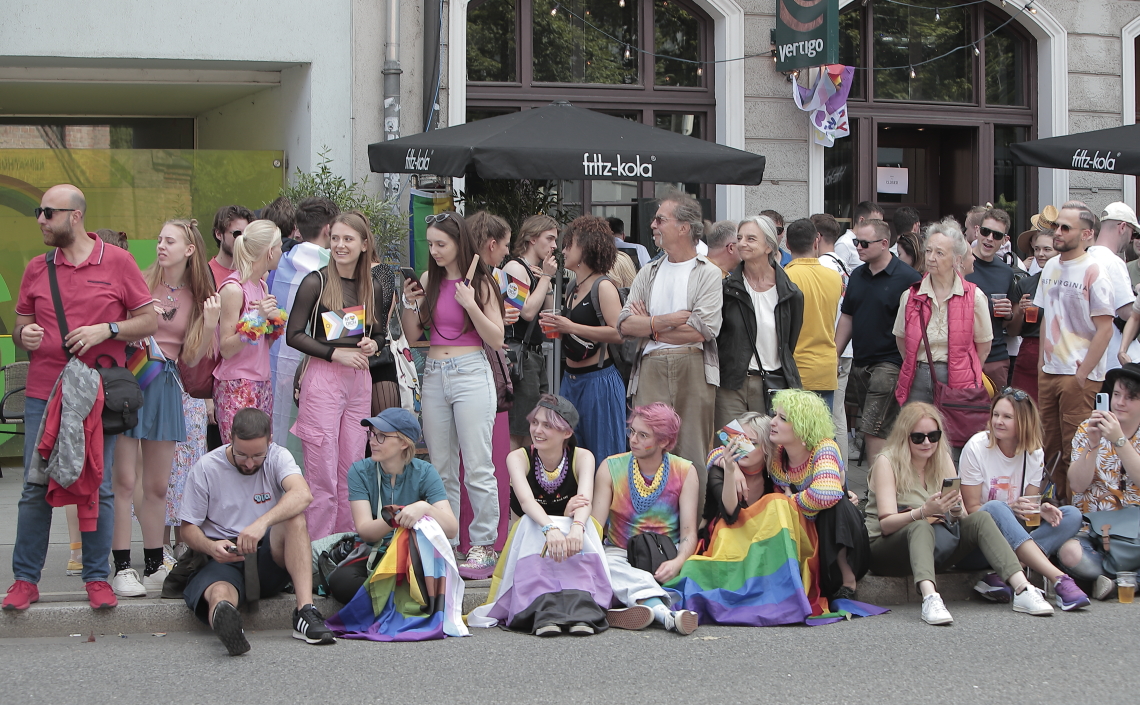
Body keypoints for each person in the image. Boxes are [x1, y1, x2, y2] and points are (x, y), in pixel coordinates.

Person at [3, 186, 156, 617]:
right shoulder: (37, 268)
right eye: (39, 212)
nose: (40, 220)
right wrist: (23, 334)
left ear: (75, 216)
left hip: (97, 394)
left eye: (48, 213)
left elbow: (146, 319)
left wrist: (107, 329)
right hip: (43, 393)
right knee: (35, 487)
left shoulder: (118, 261)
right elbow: (21, 323)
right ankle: (24, 581)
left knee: (100, 487)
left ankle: (96, 578)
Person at [864, 403, 1055, 625]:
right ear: (904, 436)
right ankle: (930, 597)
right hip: (887, 550)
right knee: (920, 525)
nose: (927, 443)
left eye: (933, 436)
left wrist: (954, 509)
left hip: (936, 545)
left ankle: (1022, 588)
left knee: (981, 517)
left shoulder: (942, 457)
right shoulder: (887, 461)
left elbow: (962, 516)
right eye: (918, 437)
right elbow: (886, 524)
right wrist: (923, 512)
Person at [110, 219, 221, 597]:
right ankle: (122, 567)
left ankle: (156, 563)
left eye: (169, 240)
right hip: (131, 382)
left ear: (189, 250)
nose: (160, 245)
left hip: (167, 386)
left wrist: (209, 325)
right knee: (125, 481)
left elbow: (190, 355)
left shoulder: (197, 294)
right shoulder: (139, 280)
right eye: (158, 239)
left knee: (158, 484)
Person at [177, 408, 334, 654]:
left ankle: (305, 612)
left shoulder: (278, 457)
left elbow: (303, 494)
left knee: (295, 519)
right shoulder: (207, 467)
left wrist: (261, 524)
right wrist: (210, 547)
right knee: (219, 593)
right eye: (241, 454)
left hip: (266, 556)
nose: (249, 463)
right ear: (230, 438)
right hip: (224, 556)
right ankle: (228, 624)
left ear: (270, 442)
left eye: (257, 455)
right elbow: (187, 529)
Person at [401, 211, 504, 579]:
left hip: (471, 372)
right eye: (430, 244)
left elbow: (497, 338)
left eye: (441, 244)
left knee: (477, 466)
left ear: (460, 242)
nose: (435, 250)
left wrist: (471, 303)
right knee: (440, 467)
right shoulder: (431, 278)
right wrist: (410, 303)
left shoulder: (481, 282)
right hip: (434, 372)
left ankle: (483, 545)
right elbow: (415, 337)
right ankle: (447, 541)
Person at [618, 190, 722, 512]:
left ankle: (695, 525)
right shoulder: (647, 271)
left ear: (685, 227)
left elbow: (704, 330)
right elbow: (623, 325)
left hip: (693, 366)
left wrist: (648, 326)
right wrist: (663, 321)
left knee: (692, 450)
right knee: (644, 443)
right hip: (649, 365)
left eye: (661, 219)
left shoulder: (708, 272)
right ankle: (647, 519)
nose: (653, 225)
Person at [287, 211, 389, 540]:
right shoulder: (315, 281)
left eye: (348, 239)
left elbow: (381, 334)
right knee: (322, 474)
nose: (340, 245)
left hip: (358, 381)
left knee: (351, 471)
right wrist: (335, 353)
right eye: (336, 239)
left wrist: (374, 343)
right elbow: (294, 334)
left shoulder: (371, 285)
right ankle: (315, 551)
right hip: (324, 378)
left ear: (363, 244)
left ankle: (345, 549)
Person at [470, 396, 610, 635]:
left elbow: (584, 502)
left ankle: (582, 609)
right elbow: (526, 503)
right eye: (535, 422)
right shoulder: (518, 457)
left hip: (572, 537)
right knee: (532, 522)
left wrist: (576, 526)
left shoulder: (583, 456)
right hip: (531, 538)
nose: (537, 430)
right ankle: (540, 610)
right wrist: (551, 528)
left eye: (547, 425)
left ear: (566, 432)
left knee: (577, 524)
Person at [958, 388, 1090, 610]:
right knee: (996, 507)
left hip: (1014, 535)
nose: (998, 422)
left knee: (1071, 515)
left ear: (1024, 421)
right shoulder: (977, 446)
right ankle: (1059, 579)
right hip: (978, 542)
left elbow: (1028, 510)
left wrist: (1040, 509)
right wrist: (1010, 508)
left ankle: (1007, 571)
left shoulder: (1034, 452)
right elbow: (972, 509)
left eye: (1007, 417)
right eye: (996, 414)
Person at [324, 408, 457, 604]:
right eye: (372, 434)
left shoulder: (425, 472)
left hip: (413, 556)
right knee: (340, 581)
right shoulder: (359, 471)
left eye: (381, 436)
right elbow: (366, 531)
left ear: (403, 443)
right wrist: (397, 515)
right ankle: (401, 601)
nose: (372, 441)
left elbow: (451, 528)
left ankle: (388, 601)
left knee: (433, 583)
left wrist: (425, 508)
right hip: (373, 552)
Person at [591, 403, 701, 635]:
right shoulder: (610, 467)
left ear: (663, 442)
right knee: (604, 564)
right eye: (632, 432)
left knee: (698, 570)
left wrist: (677, 563)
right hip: (619, 553)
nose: (633, 440)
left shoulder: (685, 471)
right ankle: (665, 614)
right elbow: (596, 527)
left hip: (666, 553)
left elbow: (690, 533)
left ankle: (629, 604)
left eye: (643, 435)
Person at [1035, 202, 1115, 503]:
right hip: (1051, 370)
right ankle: (1057, 510)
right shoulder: (1052, 265)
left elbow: (1105, 329)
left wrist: (1082, 374)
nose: (1057, 232)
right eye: (1057, 226)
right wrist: (1043, 363)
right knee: (1050, 448)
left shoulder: (1095, 271)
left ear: (1086, 234)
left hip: (1078, 375)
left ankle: (1075, 518)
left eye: (1065, 227)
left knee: (1075, 448)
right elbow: (1047, 316)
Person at [539, 216, 627, 463]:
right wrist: (556, 327)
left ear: (587, 247)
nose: (563, 250)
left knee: (604, 455)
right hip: (570, 380)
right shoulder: (573, 286)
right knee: (570, 454)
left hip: (598, 382)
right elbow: (571, 330)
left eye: (569, 244)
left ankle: (606, 503)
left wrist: (570, 325)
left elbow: (619, 333)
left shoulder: (603, 286)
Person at [767, 389, 868, 599]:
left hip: (832, 537)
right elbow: (728, 447)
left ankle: (848, 582)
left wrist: (791, 500)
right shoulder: (775, 452)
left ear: (803, 427)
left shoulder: (825, 448)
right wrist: (723, 462)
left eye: (782, 418)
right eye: (774, 415)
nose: (772, 422)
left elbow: (827, 495)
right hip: (800, 536)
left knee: (837, 506)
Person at [835, 219, 921, 462]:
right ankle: (893, 483)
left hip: (891, 362)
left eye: (863, 243)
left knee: (872, 428)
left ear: (884, 244)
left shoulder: (908, 278)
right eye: (855, 242)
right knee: (884, 427)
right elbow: (848, 317)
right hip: (861, 362)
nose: (858, 247)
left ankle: (875, 492)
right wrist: (835, 354)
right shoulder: (858, 275)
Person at [893, 219, 991, 410]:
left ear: (957, 259)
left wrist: (964, 371)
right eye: (928, 251)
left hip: (959, 380)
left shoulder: (974, 297)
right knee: (917, 432)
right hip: (917, 376)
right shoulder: (911, 296)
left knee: (954, 434)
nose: (930, 258)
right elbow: (901, 340)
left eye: (939, 253)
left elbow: (984, 347)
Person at [716, 215, 802, 426]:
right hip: (732, 386)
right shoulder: (725, 289)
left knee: (769, 451)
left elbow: (789, 342)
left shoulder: (791, 294)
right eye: (739, 237)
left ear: (769, 247)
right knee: (734, 449)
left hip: (773, 385)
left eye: (751, 238)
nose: (742, 243)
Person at [1066, 363, 1140, 600]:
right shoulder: (1087, 429)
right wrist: (1094, 444)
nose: (1119, 403)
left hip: (1135, 535)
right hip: (1094, 532)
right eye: (1116, 394)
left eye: (1130, 398)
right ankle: (1129, 578)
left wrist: (1119, 441)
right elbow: (1077, 485)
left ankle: (1121, 582)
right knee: (1069, 553)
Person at [268, 197, 336, 454]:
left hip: (275, 364)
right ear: (329, 229)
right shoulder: (335, 267)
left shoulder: (279, 262)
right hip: (319, 364)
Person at [213, 220, 284, 443]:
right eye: (280, 246)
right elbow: (226, 348)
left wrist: (272, 323)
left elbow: (261, 344)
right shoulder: (234, 289)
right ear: (270, 252)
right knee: (238, 453)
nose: (283, 252)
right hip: (237, 384)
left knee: (260, 453)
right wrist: (258, 318)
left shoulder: (262, 286)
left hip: (262, 381)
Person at [501, 214, 559, 451]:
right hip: (519, 356)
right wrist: (545, 276)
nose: (554, 245)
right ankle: (514, 484)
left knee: (536, 425)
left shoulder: (537, 271)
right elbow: (525, 311)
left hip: (534, 356)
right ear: (532, 238)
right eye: (550, 238)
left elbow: (549, 314)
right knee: (521, 428)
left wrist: (546, 281)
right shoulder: (514, 267)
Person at [783, 218, 842, 408]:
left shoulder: (785, 277)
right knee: (822, 435)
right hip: (826, 368)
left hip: (795, 370)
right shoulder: (834, 277)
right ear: (816, 240)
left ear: (787, 244)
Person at [813, 213, 853, 464]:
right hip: (842, 347)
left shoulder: (825, 266)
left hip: (833, 348)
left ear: (817, 238)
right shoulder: (841, 264)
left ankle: (839, 475)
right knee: (837, 414)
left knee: (833, 417)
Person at [964, 208, 1017, 389]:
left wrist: (1009, 314)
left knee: (995, 415)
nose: (989, 238)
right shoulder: (961, 264)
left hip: (995, 357)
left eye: (996, 235)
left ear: (1004, 240)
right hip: (962, 356)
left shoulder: (1006, 273)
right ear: (977, 231)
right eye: (986, 232)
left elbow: (1010, 325)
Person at [1007, 227, 1059, 400]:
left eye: (1047, 249)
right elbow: (1013, 331)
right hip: (1029, 352)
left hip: (1059, 351)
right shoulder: (1026, 284)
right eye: (1037, 249)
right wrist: (1020, 312)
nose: (1040, 254)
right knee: (1022, 408)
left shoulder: (1067, 282)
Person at [207, 204, 254, 286]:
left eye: (247, 234)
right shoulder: (205, 276)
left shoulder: (256, 271)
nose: (242, 239)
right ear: (218, 234)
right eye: (237, 233)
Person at [833, 201, 884, 272]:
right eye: (875, 222)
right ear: (862, 220)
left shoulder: (875, 242)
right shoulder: (844, 244)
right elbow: (838, 274)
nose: (879, 227)